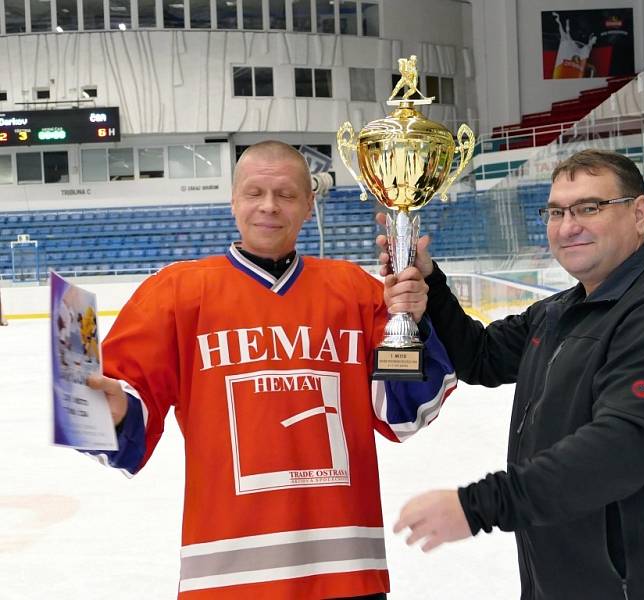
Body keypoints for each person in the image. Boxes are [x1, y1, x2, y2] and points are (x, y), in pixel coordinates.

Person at [83, 141, 457, 599]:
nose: (268, 206)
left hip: (346, 571)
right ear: (233, 199)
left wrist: (410, 326)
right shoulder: (175, 294)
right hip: (225, 574)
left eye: (285, 194)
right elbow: (127, 401)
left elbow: (402, 413)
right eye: (254, 192)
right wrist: (116, 408)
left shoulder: (357, 292)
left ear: (308, 204)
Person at [384, 149, 644, 599]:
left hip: (634, 582)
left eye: (589, 208)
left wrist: (477, 507)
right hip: (559, 574)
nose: (567, 226)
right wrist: (431, 284)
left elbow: (618, 449)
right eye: (557, 211)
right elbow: (482, 356)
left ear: (639, 214)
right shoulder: (561, 310)